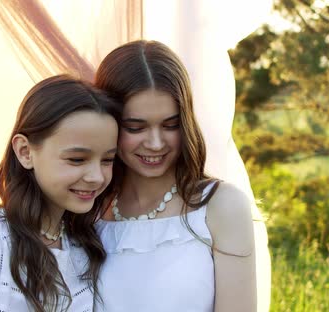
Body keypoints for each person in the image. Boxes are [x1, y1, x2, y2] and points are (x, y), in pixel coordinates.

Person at [0, 75, 120, 312]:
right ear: (25, 152)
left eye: (107, 160)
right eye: (77, 159)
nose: (96, 177)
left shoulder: (85, 246)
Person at [94, 40, 257, 311]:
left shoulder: (221, 206)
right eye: (136, 127)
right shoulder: (87, 208)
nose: (156, 143)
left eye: (170, 125)